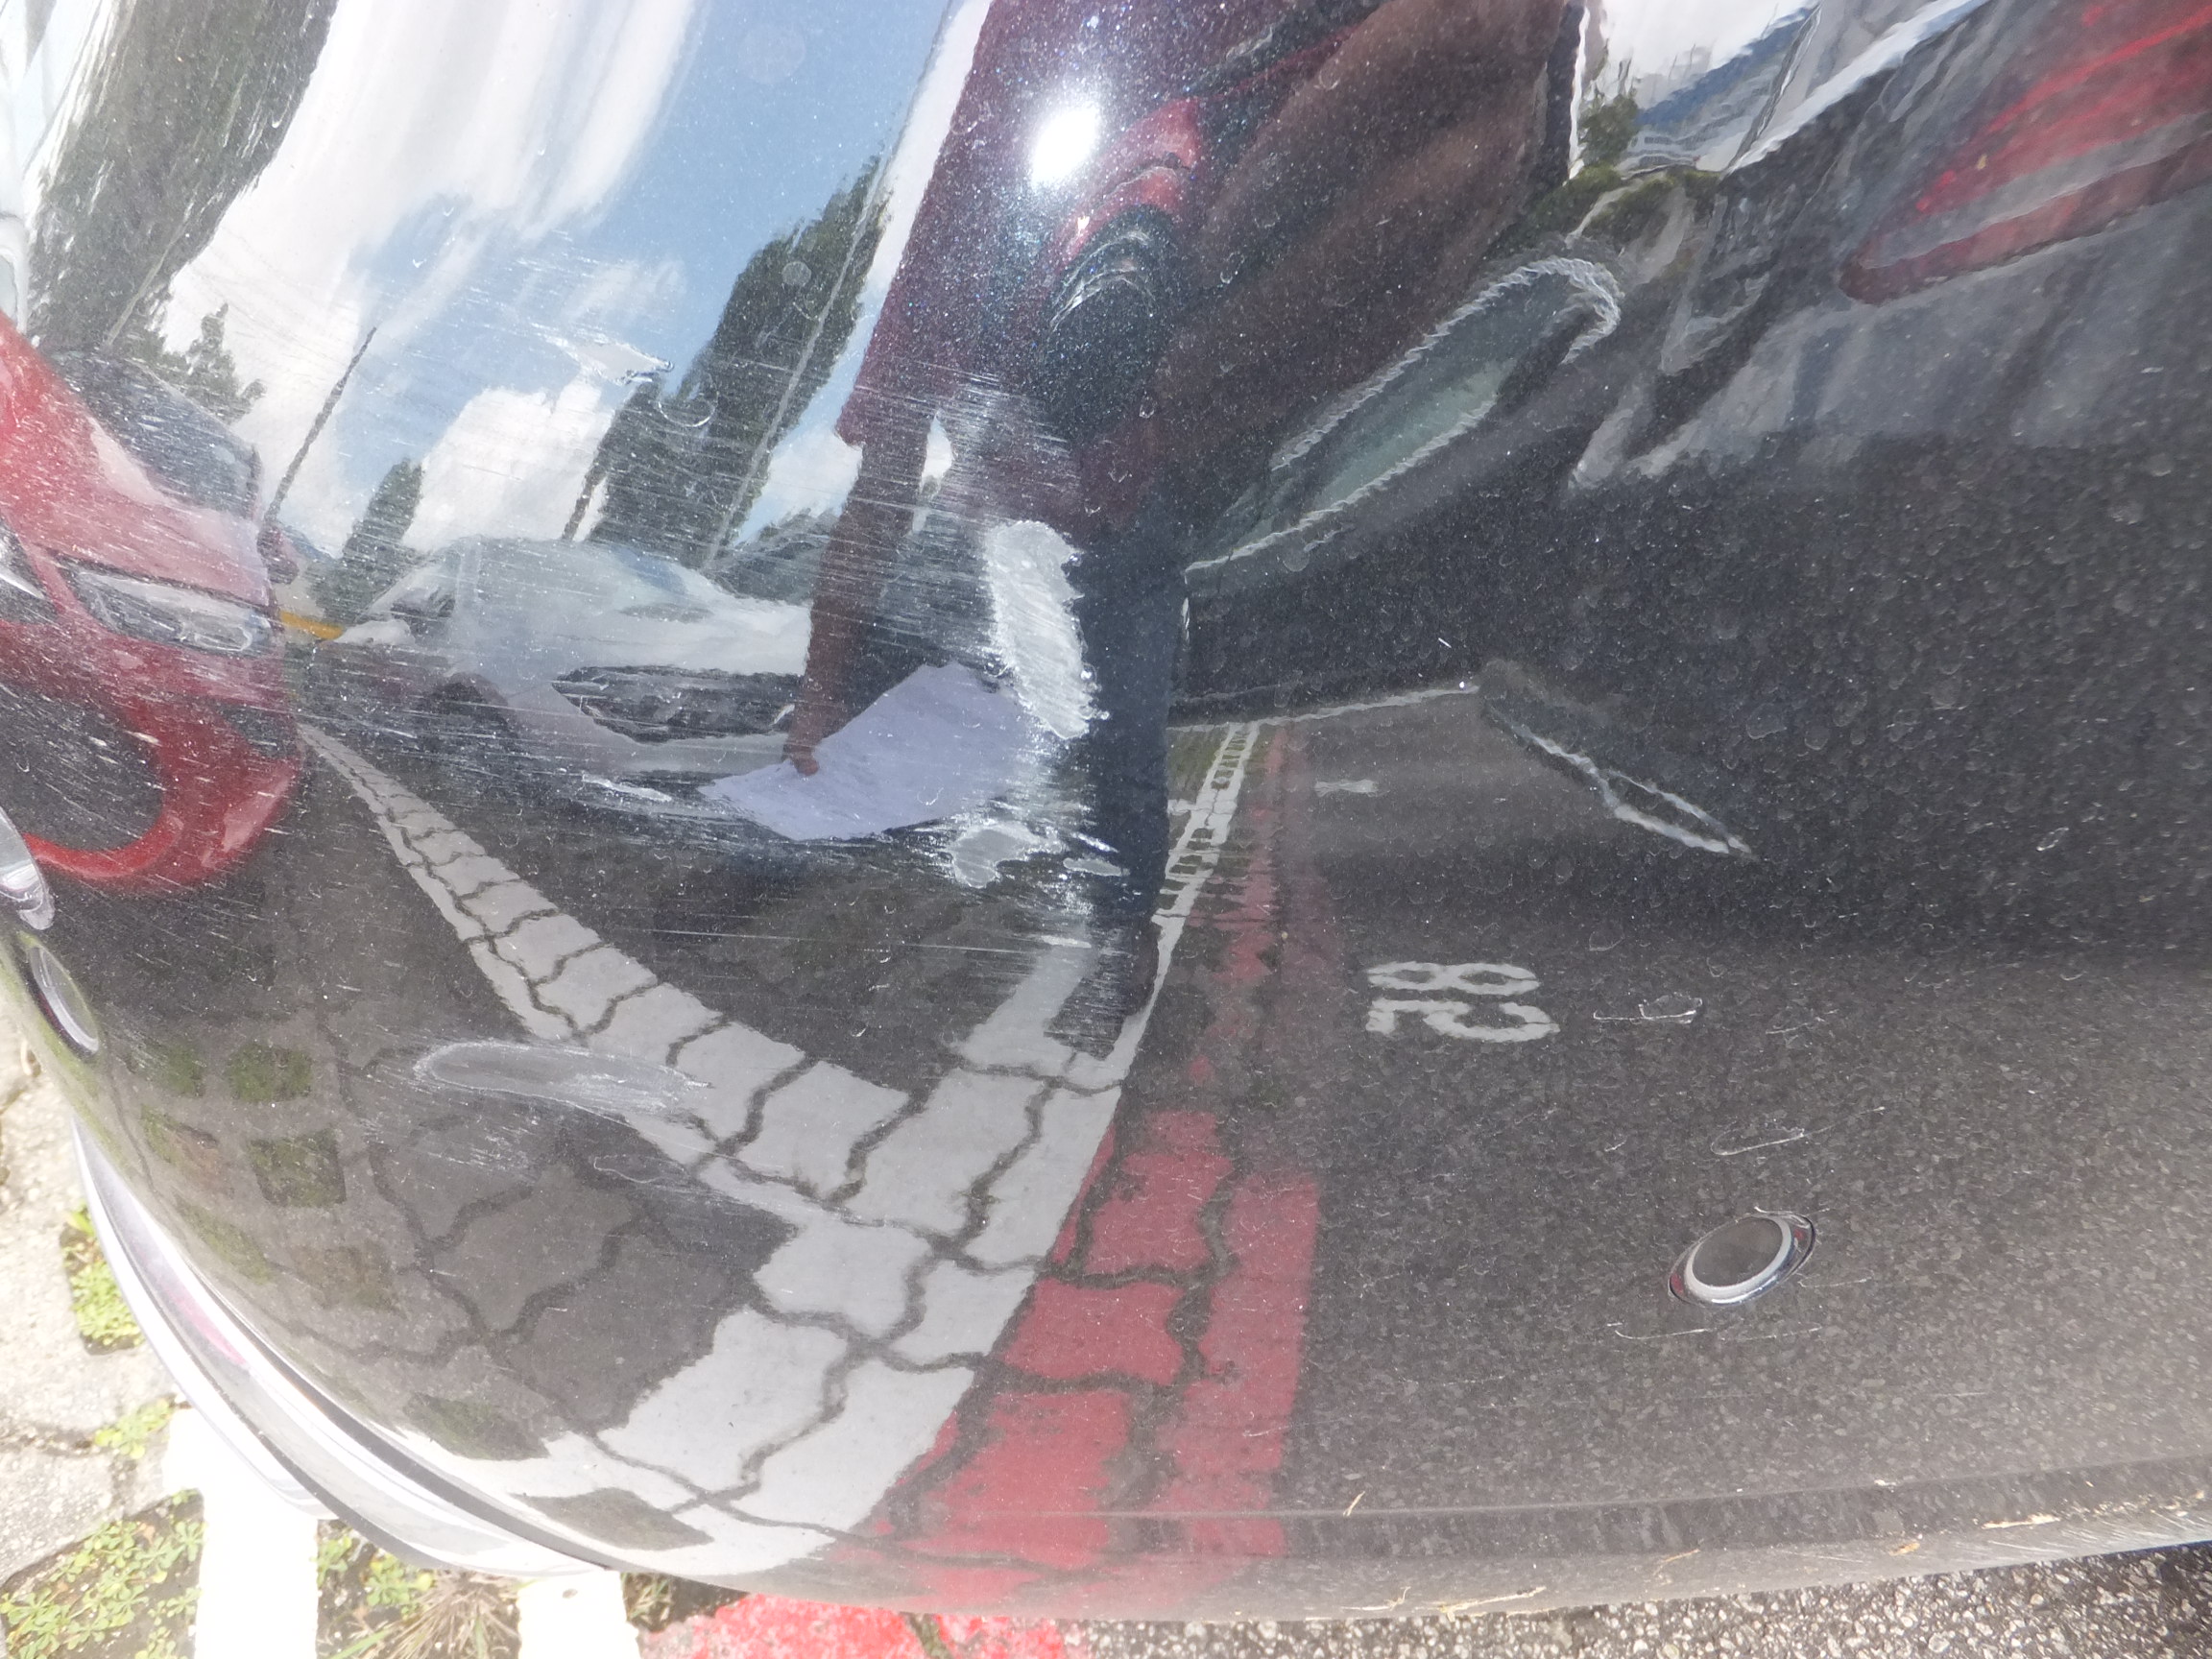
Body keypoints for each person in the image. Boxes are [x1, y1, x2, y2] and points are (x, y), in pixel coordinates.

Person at [785, 0, 1572, 1050]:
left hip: (1139, 447)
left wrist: (1168, 388)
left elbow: (1448, 99)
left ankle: (1116, 941)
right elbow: (895, 430)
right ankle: (808, 858)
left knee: (1121, 716)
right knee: (935, 676)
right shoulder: (1016, 93)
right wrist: (819, 695)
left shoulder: (1251, 82)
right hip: (1020, 451)